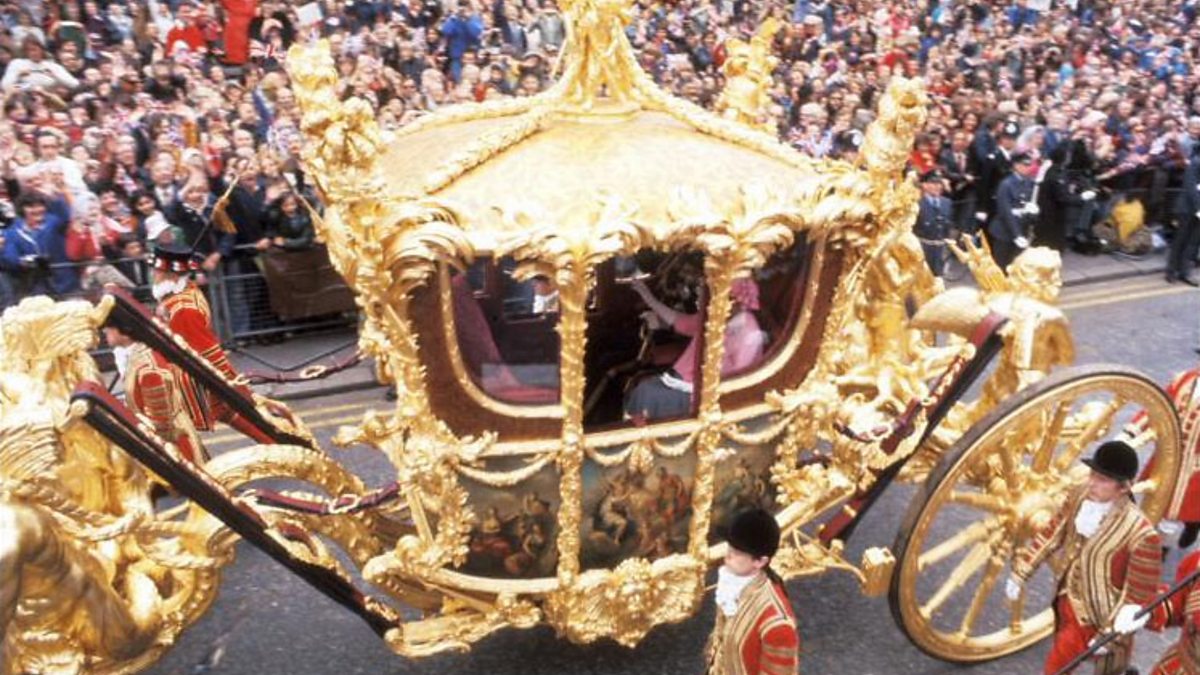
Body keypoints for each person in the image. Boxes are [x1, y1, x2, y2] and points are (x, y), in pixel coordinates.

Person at [1007, 441, 1162, 675]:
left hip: (1098, 616)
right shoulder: (1079, 495)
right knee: (1063, 656)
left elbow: (1138, 597)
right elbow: (1053, 533)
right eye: (1093, 475)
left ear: (1123, 488)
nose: (1092, 483)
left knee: (1064, 666)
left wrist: (1111, 634)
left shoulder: (1141, 534)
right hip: (1065, 597)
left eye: (1102, 480)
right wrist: (1022, 572)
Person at [149, 242, 274, 445]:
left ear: (171, 276)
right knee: (228, 413)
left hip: (189, 378)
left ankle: (187, 469)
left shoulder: (181, 308)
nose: (154, 276)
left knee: (172, 428)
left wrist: (231, 382)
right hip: (189, 374)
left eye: (158, 272)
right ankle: (274, 442)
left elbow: (208, 350)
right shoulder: (185, 292)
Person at [625, 277, 765, 421]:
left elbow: (735, 380)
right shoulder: (718, 317)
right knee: (643, 387)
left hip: (703, 394)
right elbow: (681, 322)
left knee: (647, 391)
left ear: (733, 300)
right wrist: (649, 299)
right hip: (686, 378)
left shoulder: (748, 331)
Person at [705, 508, 799, 675]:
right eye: (730, 547)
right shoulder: (732, 582)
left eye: (737, 552)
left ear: (760, 561)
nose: (727, 555)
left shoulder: (777, 625)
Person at [102, 323, 207, 464]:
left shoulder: (148, 367)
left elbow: (162, 422)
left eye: (110, 326)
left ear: (125, 333)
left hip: (173, 445)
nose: (105, 330)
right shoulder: (136, 356)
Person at [987, 151, 1038, 270]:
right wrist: (1017, 235)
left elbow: (1029, 204)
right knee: (1001, 266)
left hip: (1022, 229)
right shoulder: (1006, 184)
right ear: (1016, 166)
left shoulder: (1029, 183)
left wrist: (1034, 213)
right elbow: (1005, 212)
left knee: (1017, 266)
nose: (1027, 168)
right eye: (1024, 165)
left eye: (1029, 165)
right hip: (1005, 232)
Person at [1167, 144, 1200, 286]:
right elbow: (1190, 187)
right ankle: (1171, 272)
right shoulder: (1196, 162)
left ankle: (1185, 273)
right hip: (1187, 208)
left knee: (1192, 243)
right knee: (1180, 240)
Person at [914, 169, 953, 277]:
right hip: (923, 248)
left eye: (939, 183)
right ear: (924, 185)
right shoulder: (917, 204)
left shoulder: (947, 203)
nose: (938, 187)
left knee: (938, 279)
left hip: (940, 249)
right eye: (933, 183)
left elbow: (947, 227)